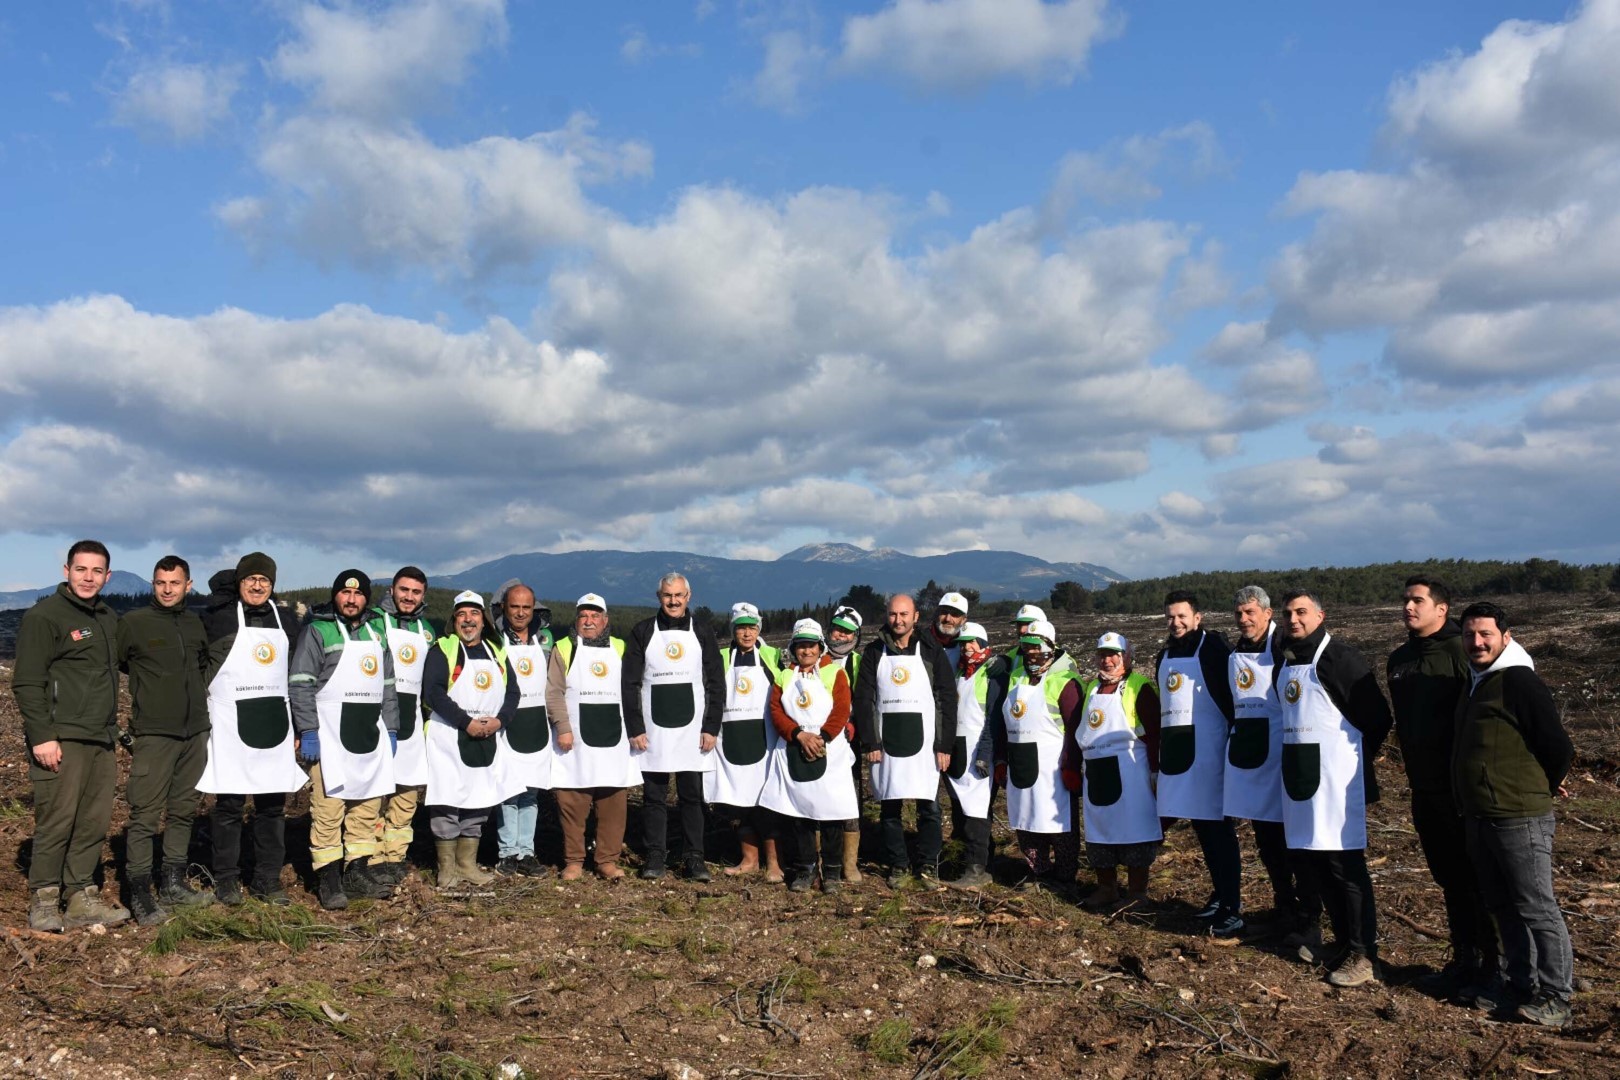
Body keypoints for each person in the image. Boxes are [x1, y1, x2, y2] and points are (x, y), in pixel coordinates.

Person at [1453, 602, 1575, 1028]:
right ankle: (1518, 985)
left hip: (1519, 816)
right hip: (1481, 816)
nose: (1476, 642)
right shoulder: (1477, 681)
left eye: (1485, 634)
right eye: (1469, 634)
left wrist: (1541, 785)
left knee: (1537, 907)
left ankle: (1557, 995)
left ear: (1506, 636)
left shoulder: (1518, 679)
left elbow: (1557, 745)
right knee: (1501, 906)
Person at [1276, 589, 1393, 987]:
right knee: (1317, 864)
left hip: (1336, 782)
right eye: (1288, 613)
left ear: (1320, 615)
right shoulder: (1286, 659)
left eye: (1302, 612)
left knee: (1346, 868)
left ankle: (1364, 954)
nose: (1294, 619)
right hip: (1301, 781)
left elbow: (1377, 719)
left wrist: (1350, 759)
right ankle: (1342, 944)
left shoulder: (1341, 659)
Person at [1387, 575, 1494, 997]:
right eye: (1406, 601)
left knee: (1478, 878)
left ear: (1441, 609)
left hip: (1462, 791)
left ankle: (1493, 967)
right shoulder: (1398, 659)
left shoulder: (1460, 653)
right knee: (1448, 876)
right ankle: (1463, 959)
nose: (1408, 608)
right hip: (1423, 788)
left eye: (1417, 601)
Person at [15, 540, 129, 931]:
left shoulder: (108, 618)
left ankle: (81, 895)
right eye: (81, 569)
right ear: (67, 570)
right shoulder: (45, 617)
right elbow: (28, 682)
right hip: (61, 736)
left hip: (100, 737)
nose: (88, 578)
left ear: (107, 576)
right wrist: (42, 736)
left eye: (97, 571)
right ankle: (45, 898)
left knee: (94, 820)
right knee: (57, 818)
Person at [198, 552, 308, 905]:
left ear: (273, 586)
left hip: (275, 724)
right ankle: (227, 879)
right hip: (229, 725)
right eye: (251, 579)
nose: (258, 585)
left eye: (265, 580)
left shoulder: (287, 620)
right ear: (239, 582)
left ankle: (266, 879)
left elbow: (297, 676)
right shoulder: (217, 619)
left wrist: (299, 728)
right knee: (228, 806)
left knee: (272, 808)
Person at [289, 571, 399, 910]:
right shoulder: (318, 630)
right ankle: (329, 878)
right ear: (336, 596)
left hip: (368, 733)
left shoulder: (377, 633)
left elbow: (388, 686)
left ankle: (357, 871)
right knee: (328, 809)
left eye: (358, 595)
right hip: (329, 736)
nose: (351, 600)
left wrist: (391, 729)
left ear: (367, 599)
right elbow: (300, 683)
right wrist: (308, 730)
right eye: (344, 593)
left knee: (366, 806)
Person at [116, 554, 214, 926]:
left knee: (183, 809)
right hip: (155, 734)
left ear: (188, 585)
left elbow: (204, 666)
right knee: (144, 814)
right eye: (161, 583)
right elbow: (119, 665)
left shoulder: (194, 623)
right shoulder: (134, 623)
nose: (168, 589)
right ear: (152, 584)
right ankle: (139, 891)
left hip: (195, 733)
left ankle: (173, 882)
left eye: (175, 583)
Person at [622, 573, 725, 882]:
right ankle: (655, 855)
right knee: (653, 796)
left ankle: (694, 857)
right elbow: (630, 684)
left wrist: (711, 727)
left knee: (692, 797)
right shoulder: (642, 632)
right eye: (668, 595)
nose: (673, 601)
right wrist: (635, 727)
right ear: (659, 596)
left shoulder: (703, 633)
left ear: (688, 596)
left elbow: (716, 684)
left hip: (693, 730)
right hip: (653, 730)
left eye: (679, 595)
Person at [853, 593, 957, 886]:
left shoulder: (931, 650)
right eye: (892, 615)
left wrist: (943, 745)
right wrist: (871, 742)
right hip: (886, 743)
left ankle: (927, 866)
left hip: (925, 742)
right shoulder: (875, 651)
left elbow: (946, 698)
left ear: (915, 617)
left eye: (903, 615)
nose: (898, 621)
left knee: (930, 807)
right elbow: (864, 699)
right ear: (887, 616)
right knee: (890, 806)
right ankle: (898, 865)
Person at [1155, 590, 1243, 935]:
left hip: (1210, 756)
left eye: (1182, 617)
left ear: (1197, 617)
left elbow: (1231, 702)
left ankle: (1233, 906)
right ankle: (1219, 895)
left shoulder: (1214, 650)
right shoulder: (1165, 654)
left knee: (1220, 831)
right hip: (1180, 755)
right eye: (1170, 617)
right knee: (1203, 831)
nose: (1175, 623)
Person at [422, 591, 522, 891]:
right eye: (462, 614)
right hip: (450, 737)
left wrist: (500, 720)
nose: (468, 620)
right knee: (447, 801)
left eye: (474, 614)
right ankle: (447, 868)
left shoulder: (496, 651)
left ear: (483, 619)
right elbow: (433, 692)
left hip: (488, 735)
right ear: (454, 620)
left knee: (480, 799)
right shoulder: (444, 650)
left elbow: (513, 693)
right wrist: (466, 722)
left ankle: (467, 865)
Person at [759, 619, 857, 893]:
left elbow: (841, 709)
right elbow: (776, 712)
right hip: (795, 747)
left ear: (820, 647)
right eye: (801, 646)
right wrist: (799, 735)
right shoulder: (784, 677)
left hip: (830, 749)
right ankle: (805, 868)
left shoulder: (835, 674)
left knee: (832, 814)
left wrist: (822, 737)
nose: (806, 651)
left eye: (811, 645)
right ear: (794, 648)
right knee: (799, 812)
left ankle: (833, 872)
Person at [1224, 586, 1301, 928]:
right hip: (1252, 756)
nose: (1243, 619)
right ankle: (1282, 903)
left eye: (1250, 612)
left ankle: (1304, 909)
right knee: (1266, 838)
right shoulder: (1234, 653)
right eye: (1239, 613)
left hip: (1283, 755)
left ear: (1268, 614)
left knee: (1292, 838)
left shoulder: (1284, 649)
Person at [1072, 632, 1161, 910]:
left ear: (1127, 657)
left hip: (1131, 772)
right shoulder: (1091, 689)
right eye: (1102, 654)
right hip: (1097, 773)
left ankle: (1137, 893)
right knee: (1100, 832)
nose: (1107, 660)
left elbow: (1156, 734)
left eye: (1114, 655)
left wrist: (1157, 771)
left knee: (1136, 831)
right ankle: (1107, 888)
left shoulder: (1139, 687)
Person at [548, 593, 629, 880]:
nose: (589, 621)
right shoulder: (564, 648)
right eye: (584, 615)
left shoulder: (620, 648)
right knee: (572, 801)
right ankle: (574, 860)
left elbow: (633, 690)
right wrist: (563, 726)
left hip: (614, 738)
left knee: (613, 803)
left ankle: (607, 860)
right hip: (575, 739)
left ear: (606, 620)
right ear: (576, 619)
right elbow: (554, 691)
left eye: (595, 616)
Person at [704, 602, 785, 881]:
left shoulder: (773, 656)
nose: (747, 633)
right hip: (731, 740)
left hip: (765, 740)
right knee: (737, 803)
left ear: (759, 629)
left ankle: (774, 863)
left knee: (767, 803)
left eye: (752, 627)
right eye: (742, 628)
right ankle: (749, 859)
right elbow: (709, 693)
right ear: (733, 630)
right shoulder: (722, 656)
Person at [999, 619, 1082, 886]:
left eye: (1037, 648)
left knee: (1059, 825)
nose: (1032, 654)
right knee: (1026, 821)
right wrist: (1001, 759)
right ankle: (1040, 872)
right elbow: (1003, 722)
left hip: (1053, 769)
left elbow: (1075, 729)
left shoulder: (1065, 681)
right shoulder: (1016, 676)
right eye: (1027, 648)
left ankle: (1066, 877)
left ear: (1050, 647)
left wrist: (1072, 765)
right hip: (1020, 763)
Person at [368, 566, 434, 885]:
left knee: (406, 794)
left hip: (414, 720)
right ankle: (371, 857)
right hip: (378, 716)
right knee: (374, 793)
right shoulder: (373, 621)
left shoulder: (428, 631)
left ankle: (395, 856)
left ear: (423, 595)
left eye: (416, 592)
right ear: (392, 589)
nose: (409, 597)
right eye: (404, 590)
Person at [493, 583, 557, 877]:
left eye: (526, 607)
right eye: (514, 607)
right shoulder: (494, 639)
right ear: (504, 608)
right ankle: (506, 853)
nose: (520, 613)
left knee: (531, 792)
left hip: (537, 724)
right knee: (509, 791)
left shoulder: (544, 640)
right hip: (507, 722)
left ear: (535, 609)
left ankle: (526, 852)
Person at [942, 622, 1001, 889]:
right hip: (956, 749)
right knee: (959, 807)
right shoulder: (958, 673)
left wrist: (985, 754)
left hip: (977, 751)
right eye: (963, 643)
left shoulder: (991, 673)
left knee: (977, 810)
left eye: (972, 642)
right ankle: (964, 860)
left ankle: (977, 869)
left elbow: (993, 718)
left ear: (984, 644)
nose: (967, 648)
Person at [825, 605, 866, 884]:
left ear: (856, 636)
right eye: (837, 629)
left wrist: (855, 726)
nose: (840, 635)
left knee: (850, 799)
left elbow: (867, 701)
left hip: (850, 742)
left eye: (847, 631)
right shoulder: (816, 658)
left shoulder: (860, 663)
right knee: (819, 798)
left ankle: (849, 864)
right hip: (819, 739)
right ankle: (821, 860)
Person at [928, 592, 971, 669]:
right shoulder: (921, 641)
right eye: (944, 612)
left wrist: (999, 663)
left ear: (963, 620)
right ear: (937, 614)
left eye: (954, 614)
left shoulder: (967, 646)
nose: (947, 619)